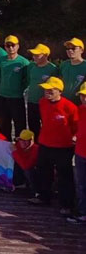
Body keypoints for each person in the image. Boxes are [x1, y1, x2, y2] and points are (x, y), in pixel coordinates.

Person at [31, 77, 78, 214]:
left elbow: (77, 126)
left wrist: (74, 137)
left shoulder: (70, 107)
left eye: (51, 90)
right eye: (45, 90)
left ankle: (66, 204)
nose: (47, 92)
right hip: (45, 143)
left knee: (64, 176)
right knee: (43, 171)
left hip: (63, 146)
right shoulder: (42, 102)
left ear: (59, 91)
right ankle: (43, 197)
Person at [0, 35, 29, 140]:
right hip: (3, 96)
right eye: (8, 45)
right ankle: (5, 145)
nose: (11, 48)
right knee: (4, 124)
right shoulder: (1, 60)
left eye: (13, 45)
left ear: (18, 46)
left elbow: (27, 79)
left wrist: (19, 88)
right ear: (5, 47)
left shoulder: (23, 62)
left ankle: (20, 145)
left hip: (16, 97)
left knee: (19, 124)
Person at [26, 43, 57, 138]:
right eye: (33, 55)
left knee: (47, 126)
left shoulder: (52, 68)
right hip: (31, 101)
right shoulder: (31, 66)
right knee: (33, 126)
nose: (34, 57)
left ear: (46, 55)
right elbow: (28, 80)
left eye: (37, 55)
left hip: (46, 102)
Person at [68, 82, 86, 224]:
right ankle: (82, 213)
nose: (84, 98)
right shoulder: (80, 110)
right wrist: (75, 136)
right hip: (80, 152)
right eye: (82, 95)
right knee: (81, 185)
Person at [12, 129, 39, 197]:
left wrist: (15, 152)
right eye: (21, 140)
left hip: (36, 173)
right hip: (23, 169)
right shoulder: (18, 145)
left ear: (31, 140)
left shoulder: (36, 149)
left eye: (25, 140)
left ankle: (35, 191)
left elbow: (26, 166)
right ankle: (18, 183)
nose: (22, 142)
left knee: (28, 171)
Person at [59, 37, 86, 103]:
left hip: (80, 104)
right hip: (63, 103)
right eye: (68, 49)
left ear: (81, 50)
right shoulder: (63, 65)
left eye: (73, 48)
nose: (70, 50)